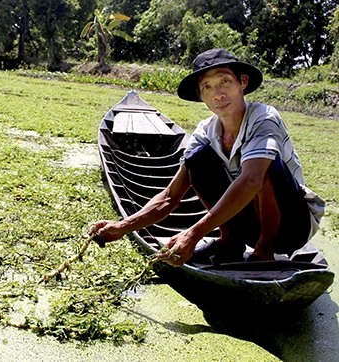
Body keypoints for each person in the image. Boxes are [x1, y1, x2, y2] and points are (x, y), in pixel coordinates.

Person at [91, 48, 325, 267]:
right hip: (249, 221)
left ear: (242, 82)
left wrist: (193, 234)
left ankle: (264, 250)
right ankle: (229, 241)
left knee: (263, 167)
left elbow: (252, 180)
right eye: (208, 87)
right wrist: (122, 227)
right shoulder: (205, 131)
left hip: (292, 227)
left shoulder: (263, 118)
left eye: (225, 81)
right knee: (197, 159)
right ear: (201, 95)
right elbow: (170, 197)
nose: (218, 94)